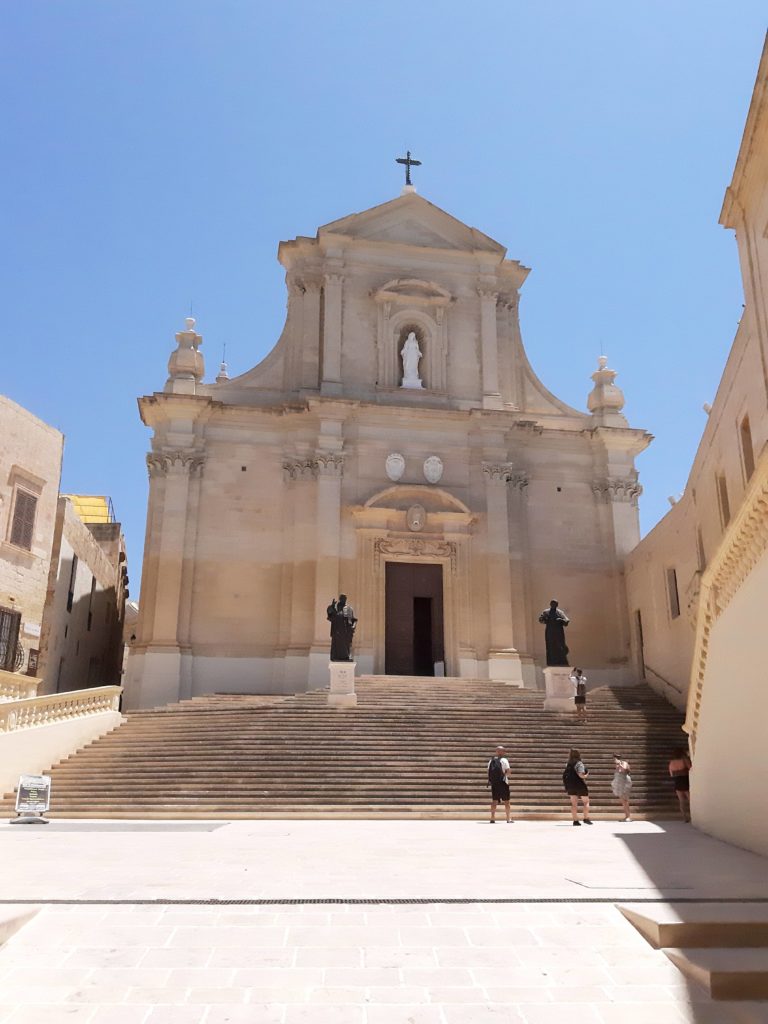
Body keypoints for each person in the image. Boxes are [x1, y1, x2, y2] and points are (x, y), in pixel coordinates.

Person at [563, 748, 592, 825]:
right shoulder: (579, 763)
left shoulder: (568, 764)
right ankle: (586, 818)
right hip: (579, 785)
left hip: (570, 785)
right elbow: (581, 775)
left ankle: (575, 820)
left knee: (574, 804)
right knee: (586, 802)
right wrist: (587, 775)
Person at [538, 599, 570, 666]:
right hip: (550, 632)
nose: (553, 605)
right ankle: (551, 662)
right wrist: (545, 619)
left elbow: (566, 620)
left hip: (559, 633)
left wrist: (561, 620)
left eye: (555, 604)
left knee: (560, 646)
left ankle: (562, 662)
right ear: (550, 604)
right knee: (550, 646)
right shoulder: (546, 612)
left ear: (557, 605)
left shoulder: (560, 612)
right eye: (552, 603)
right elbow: (541, 619)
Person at [326, 594, 357, 662]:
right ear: (340, 599)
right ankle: (336, 657)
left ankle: (346, 657)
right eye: (342, 598)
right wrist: (332, 606)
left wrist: (353, 627)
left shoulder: (349, 609)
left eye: (344, 598)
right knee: (337, 646)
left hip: (346, 631)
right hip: (337, 631)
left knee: (346, 646)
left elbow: (353, 620)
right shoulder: (336, 608)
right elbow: (330, 614)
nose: (343, 600)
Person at [487, 745, 513, 824]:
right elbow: (508, 772)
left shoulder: (491, 760)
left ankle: (492, 818)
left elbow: (488, 772)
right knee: (506, 801)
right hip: (503, 782)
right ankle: (508, 818)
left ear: (496, 752)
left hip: (495, 783)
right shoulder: (504, 760)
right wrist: (506, 775)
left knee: (494, 801)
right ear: (503, 752)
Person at [668, 746, 692, 822]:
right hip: (684, 779)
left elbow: (671, 774)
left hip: (677, 781)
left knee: (681, 800)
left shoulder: (671, 762)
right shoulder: (684, 760)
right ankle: (693, 815)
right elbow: (690, 767)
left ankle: (684, 817)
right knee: (690, 799)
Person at [611, 753, 632, 821]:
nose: (614, 760)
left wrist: (619, 764)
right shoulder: (617, 765)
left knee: (625, 800)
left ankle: (628, 816)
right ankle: (626, 816)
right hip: (620, 783)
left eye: (614, 759)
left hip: (625, 783)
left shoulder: (624, 763)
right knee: (623, 801)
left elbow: (624, 770)